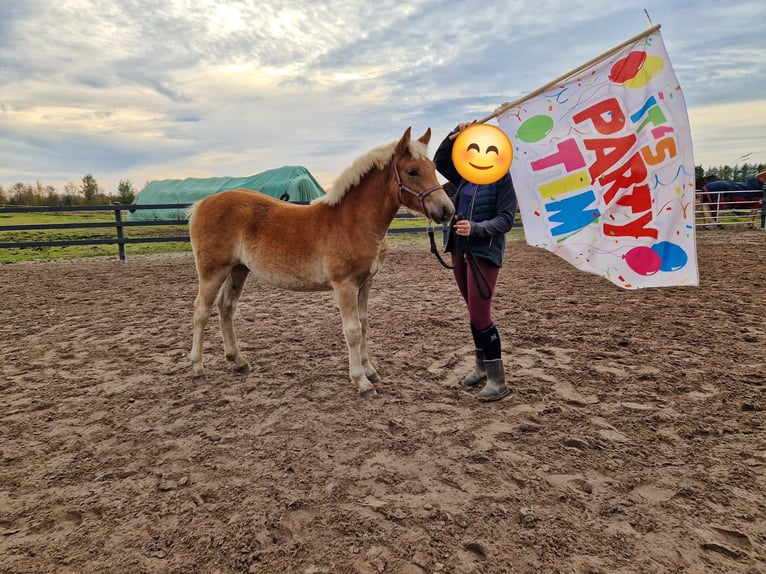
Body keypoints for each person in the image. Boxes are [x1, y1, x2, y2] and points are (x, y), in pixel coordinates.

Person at [433, 121, 518, 402]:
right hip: (460, 249)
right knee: (473, 312)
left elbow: (506, 219)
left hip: (485, 252)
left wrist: (477, 229)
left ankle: (498, 379)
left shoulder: (503, 178)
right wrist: (453, 133)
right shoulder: (467, 176)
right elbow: (439, 161)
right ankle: (482, 368)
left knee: (481, 315)